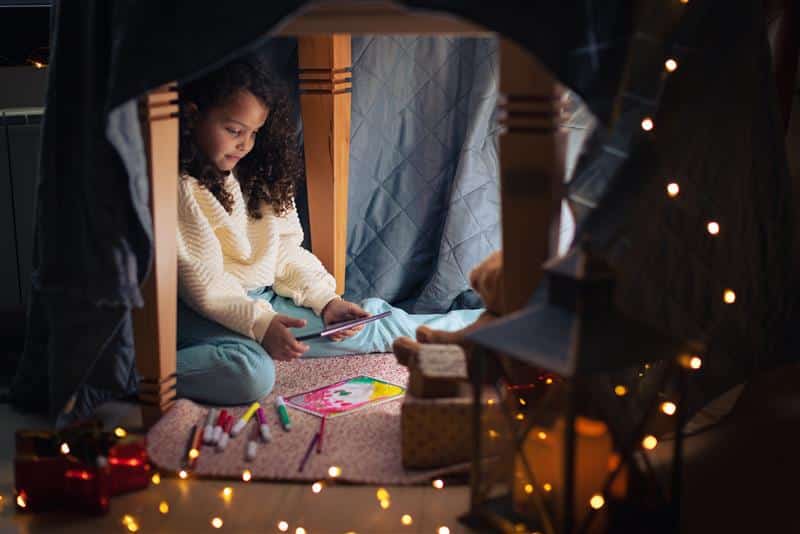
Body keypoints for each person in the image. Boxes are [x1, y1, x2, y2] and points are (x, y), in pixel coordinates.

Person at [176, 58, 482, 405]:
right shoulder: (181, 186)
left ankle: (489, 326)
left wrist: (326, 301)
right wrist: (261, 325)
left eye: (254, 133)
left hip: (262, 300)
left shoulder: (258, 171)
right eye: (234, 130)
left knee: (373, 327)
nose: (245, 144)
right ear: (193, 116)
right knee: (251, 374)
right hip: (201, 310)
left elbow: (287, 251)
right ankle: (142, 371)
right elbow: (206, 284)